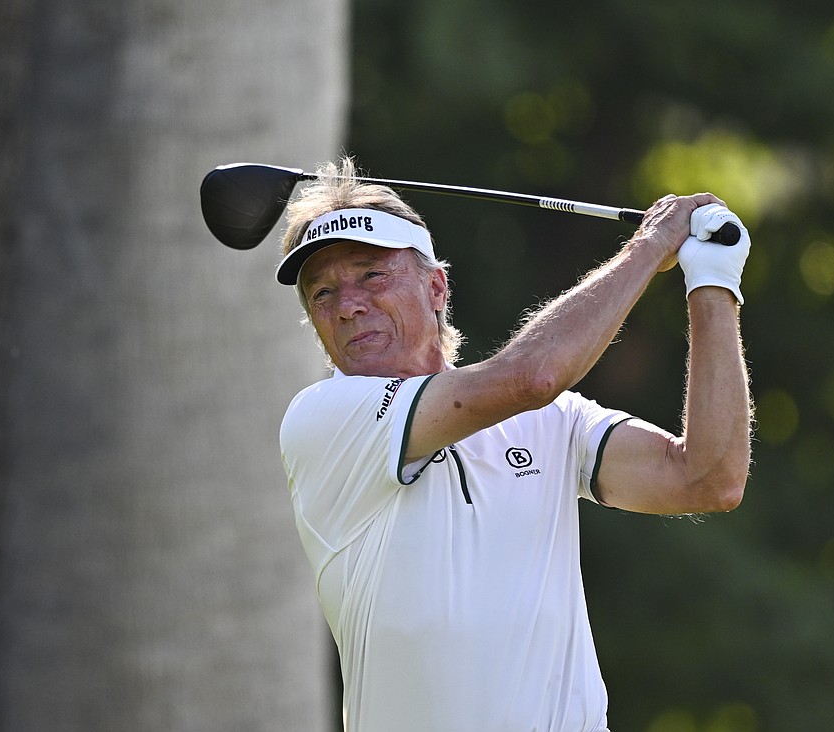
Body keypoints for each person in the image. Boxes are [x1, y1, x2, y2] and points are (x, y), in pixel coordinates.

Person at [276, 157, 752, 732]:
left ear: (435, 287)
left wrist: (712, 283)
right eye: (322, 293)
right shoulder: (323, 419)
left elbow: (708, 479)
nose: (348, 305)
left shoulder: (551, 421)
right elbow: (532, 376)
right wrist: (649, 247)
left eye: (372, 275)